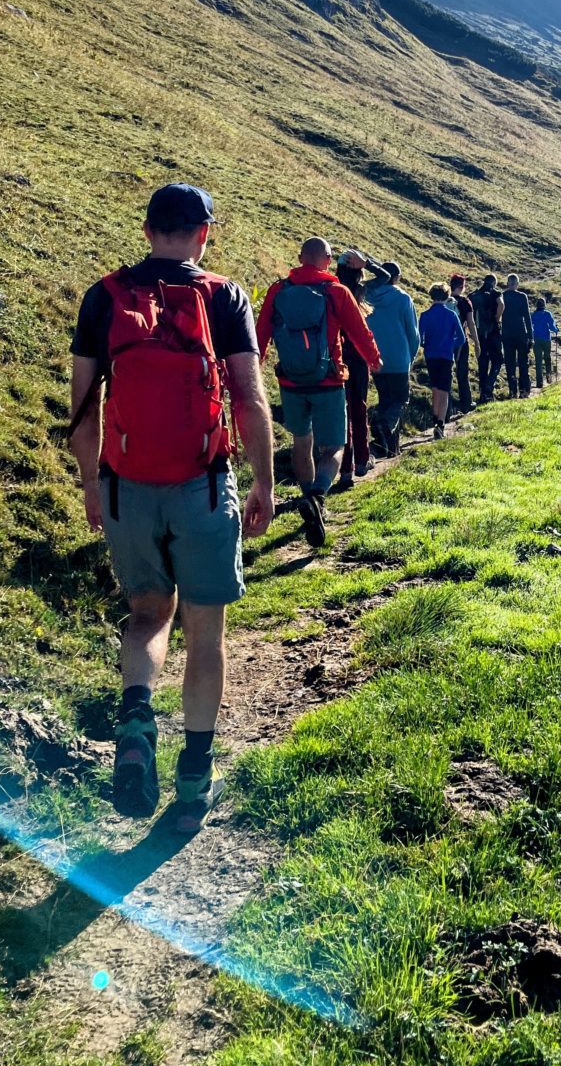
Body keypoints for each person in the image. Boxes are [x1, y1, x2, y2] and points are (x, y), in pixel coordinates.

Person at [69, 183, 276, 833]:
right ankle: (194, 776)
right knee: (204, 631)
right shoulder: (223, 295)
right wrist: (265, 482)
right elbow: (249, 398)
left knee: (147, 613)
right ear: (204, 233)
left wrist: (91, 485)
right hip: (203, 484)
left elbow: (82, 411)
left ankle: (136, 716)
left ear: (148, 228)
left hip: (127, 484)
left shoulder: (104, 296)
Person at [256, 237, 381, 546]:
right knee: (335, 446)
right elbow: (358, 331)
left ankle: (306, 494)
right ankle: (318, 496)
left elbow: (260, 332)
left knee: (302, 441)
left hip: (291, 382)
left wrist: (254, 365)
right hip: (329, 379)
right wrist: (374, 358)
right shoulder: (336, 291)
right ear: (327, 259)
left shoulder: (278, 290)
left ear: (299, 258)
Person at [364, 259, 420, 456]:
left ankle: (390, 449)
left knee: (386, 399)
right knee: (400, 400)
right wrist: (410, 358)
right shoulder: (403, 298)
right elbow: (413, 334)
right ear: (396, 278)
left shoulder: (366, 296)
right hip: (399, 358)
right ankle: (382, 425)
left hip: (375, 358)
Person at [334, 250, 374, 491]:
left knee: (342, 412)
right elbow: (389, 276)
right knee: (359, 407)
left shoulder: (329, 288)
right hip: (358, 356)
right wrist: (368, 263)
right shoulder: (359, 291)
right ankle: (362, 460)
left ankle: (345, 469)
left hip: (335, 354)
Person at [419, 282, 466, 439]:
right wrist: (449, 344)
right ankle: (441, 422)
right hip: (446, 355)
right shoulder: (451, 315)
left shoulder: (425, 315)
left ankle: (435, 418)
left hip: (431, 354)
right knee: (445, 389)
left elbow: (420, 338)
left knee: (435, 388)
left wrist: (426, 344)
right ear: (447, 296)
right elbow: (461, 338)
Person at [447, 273, 478, 416]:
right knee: (462, 372)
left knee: (446, 373)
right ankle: (466, 402)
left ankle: (447, 406)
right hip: (461, 341)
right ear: (461, 287)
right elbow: (471, 323)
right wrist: (476, 342)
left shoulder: (443, 299)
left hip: (444, 341)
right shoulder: (465, 302)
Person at [500, 272, 533, 399]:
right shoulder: (522, 296)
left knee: (510, 363)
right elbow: (527, 317)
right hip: (520, 333)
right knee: (523, 363)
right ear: (517, 284)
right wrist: (531, 336)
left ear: (508, 283)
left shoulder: (503, 296)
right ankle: (524, 390)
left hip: (507, 334)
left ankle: (512, 390)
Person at [472, 273, 503, 403]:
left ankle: (482, 395)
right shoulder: (496, 293)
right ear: (494, 282)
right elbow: (501, 305)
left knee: (482, 364)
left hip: (480, 334)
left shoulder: (474, 295)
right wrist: (497, 317)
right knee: (498, 360)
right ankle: (489, 386)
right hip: (493, 332)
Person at [531, 295, 560, 388]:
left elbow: (530, 327)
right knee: (547, 358)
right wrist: (556, 330)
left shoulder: (533, 315)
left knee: (538, 361)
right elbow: (552, 326)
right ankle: (548, 375)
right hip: (546, 339)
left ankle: (539, 382)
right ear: (544, 305)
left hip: (536, 339)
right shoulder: (547, 314)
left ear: (536, 305)